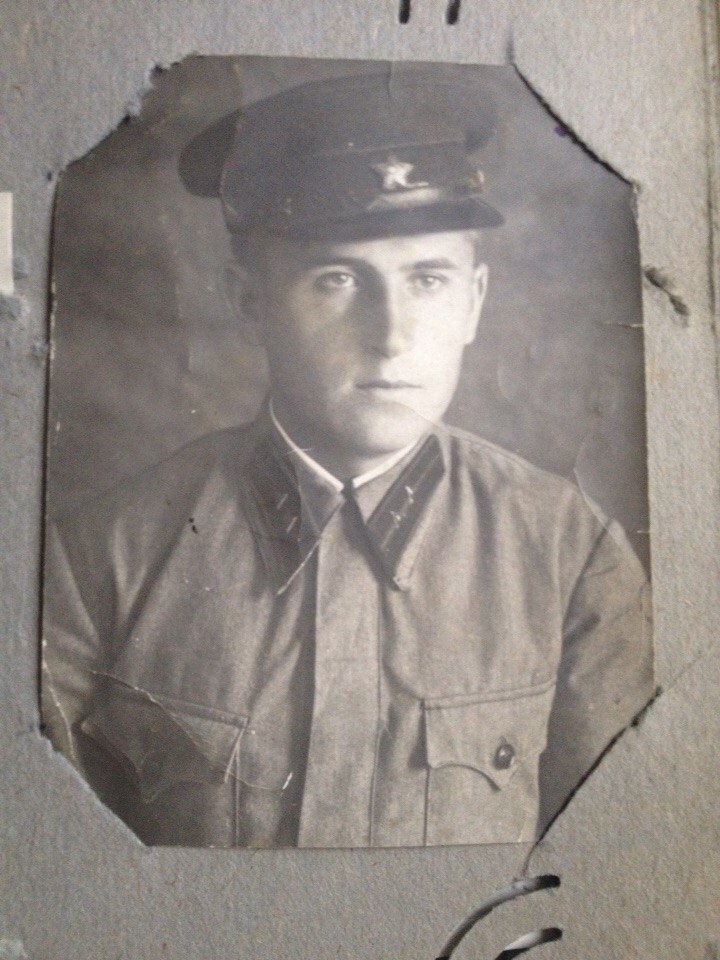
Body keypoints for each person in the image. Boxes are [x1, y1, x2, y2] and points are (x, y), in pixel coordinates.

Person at [41, 71, 654, 848]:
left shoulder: (573, 556)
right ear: (250, 301)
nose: (392, 335)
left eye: (427, 279)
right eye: (337, 279)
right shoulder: (101, 558)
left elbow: (610, 871)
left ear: (473, 301)